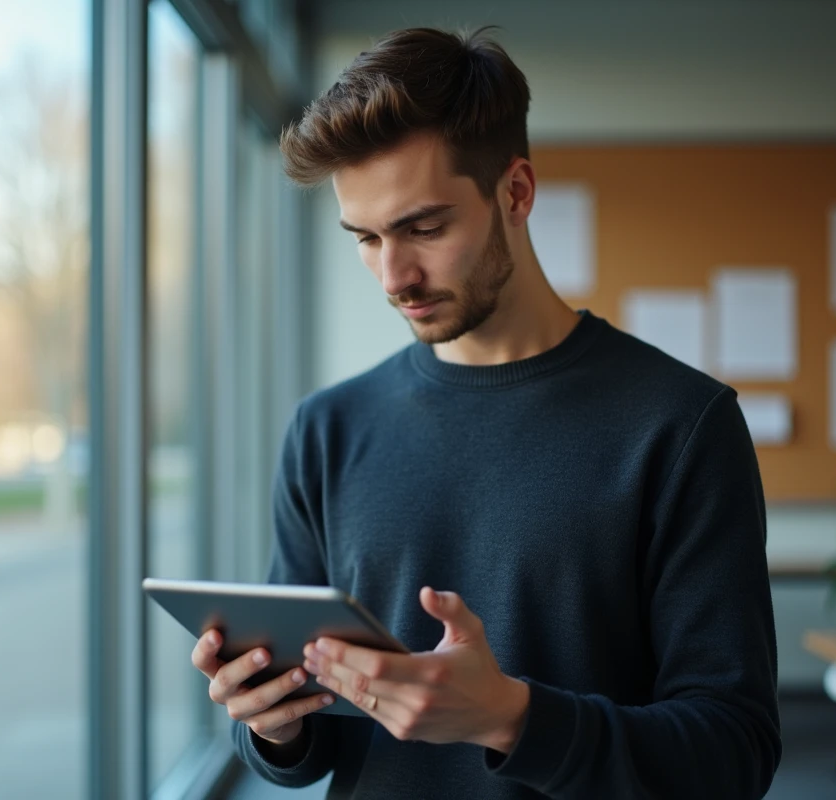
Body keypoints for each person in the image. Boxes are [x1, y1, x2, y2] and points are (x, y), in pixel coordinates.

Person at [190, 26, 781, 799]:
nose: (394, 276)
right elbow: (313, 738)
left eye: (424, 228)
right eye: (365, 238)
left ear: (516, 193)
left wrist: (513, 719)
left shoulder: (680, 426)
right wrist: (272, 722)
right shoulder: (326, 431)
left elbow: (733, 753)